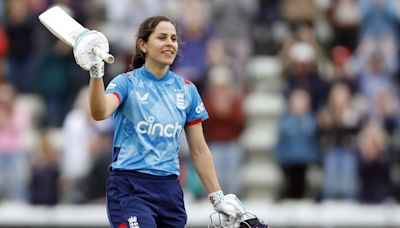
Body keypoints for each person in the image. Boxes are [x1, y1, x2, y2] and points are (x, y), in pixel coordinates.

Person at [72, 16, 249, 227]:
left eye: (173, 39)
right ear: (143, 45)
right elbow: (100, 112)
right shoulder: (126, 83)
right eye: (162, 37)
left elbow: (199, 149)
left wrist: (217, 196)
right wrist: (95, 72)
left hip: (169, 190)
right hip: (130, 187)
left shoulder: (187, 89)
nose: (170, 43)